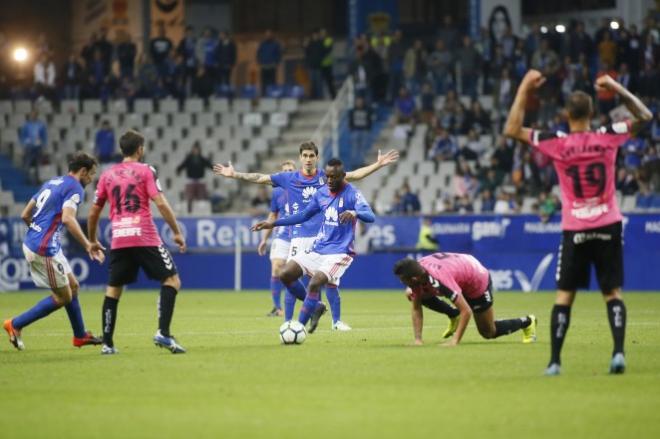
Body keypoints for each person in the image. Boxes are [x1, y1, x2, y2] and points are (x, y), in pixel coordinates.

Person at [503, 69, 653, 375]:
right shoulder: (607, 136)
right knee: (612, 294)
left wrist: (524, 88)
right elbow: (647, 116)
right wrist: (615, 86)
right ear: (592, 112)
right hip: (608, 223)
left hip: (575, 228)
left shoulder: (557, 142)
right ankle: (619, 354)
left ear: (565, 115)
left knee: (564, 297)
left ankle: (555, 362)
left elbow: (512, 129)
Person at [214, 143, 398, 332]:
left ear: (317, 158)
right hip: (300, 237)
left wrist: (378, 165)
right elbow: (260, 178)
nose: (308, 159)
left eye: (312, 155)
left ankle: (334, 321)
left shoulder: (327, 177)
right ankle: (292, 319)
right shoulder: (289, 178)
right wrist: (235, 174)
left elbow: (356, 175)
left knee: (329, 282)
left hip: (324, 237)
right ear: (300, 158)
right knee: (290, 275)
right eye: (305, 155)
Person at [87, 130, 187, 355]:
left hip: (119, 237)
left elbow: (94, 212)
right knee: (171, 280)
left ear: (122, 149)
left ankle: (108, 344)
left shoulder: (107, 174)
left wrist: (92, 240)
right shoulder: (146, 170)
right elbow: (160, 203)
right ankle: (163, 332)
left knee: (113, 290)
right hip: (144, 235)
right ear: (140, 149)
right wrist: (176, 232)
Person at [252, 158, 375, 335]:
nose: (330, 180)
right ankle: (316, 306)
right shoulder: (322, 193)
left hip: (340, 252)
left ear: (343, 176)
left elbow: (370, 215)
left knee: (316, 282)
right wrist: (273, 224)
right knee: (285, 274)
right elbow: (303, 215)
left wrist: (355, 212)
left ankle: (298, 327)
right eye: (328, 177)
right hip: (319, 248)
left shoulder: (352, 193)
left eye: (334, 177)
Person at [3, 153, 105, 351]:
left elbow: (25, 214)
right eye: (91, 174)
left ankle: (80, 336)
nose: (91, 179)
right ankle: (15, 324)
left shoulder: (53, 182)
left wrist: (37, 231)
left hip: (43, 243)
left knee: (73, 286)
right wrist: (87, 245)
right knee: (63, 297)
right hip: (43, 248)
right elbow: (68, 218)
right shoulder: (75, 187)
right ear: (82, 171)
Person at [393, 253, 537, 347]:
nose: (401, 282)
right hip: (460, 270)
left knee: (488, 332)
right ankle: (452, 314)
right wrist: (418, 339)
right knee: (412, 294)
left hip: (476, 279)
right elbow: (416, 307)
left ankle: (527, 322)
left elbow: (466, 311)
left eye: (402, 280)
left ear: (414, 278)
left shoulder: (439, 279)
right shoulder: (418, 272)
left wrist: (455, 341)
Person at [258, 160, 297, 317]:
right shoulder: (277, 192)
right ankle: (277, 307)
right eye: (285, 170)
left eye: (290, 170)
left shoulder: (303, 188)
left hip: (299, 234)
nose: (287, 172)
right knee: (276, 267)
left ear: (295, 172)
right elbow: (273, 215)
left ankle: (309, 303)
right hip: (282, 233)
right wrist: (264, 239)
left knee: (297, 272)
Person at [175, 142, 213, 213]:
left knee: (201, 197)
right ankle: (189, 212)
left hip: (200, 180)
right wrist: (178, 170)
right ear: (192, 150)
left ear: (199, 150)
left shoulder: (202, 159)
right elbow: (182, 165)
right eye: (194, 149)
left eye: (197, 149)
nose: (195, 151)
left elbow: (209, 165)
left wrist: (215, 168)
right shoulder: (189, 159)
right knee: (189, 197)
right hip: (190, 180)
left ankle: (201, 211)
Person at [20, 109, 47, 184]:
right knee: (28, 164)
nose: (33, 116)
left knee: (38, 165)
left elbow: (44, 136)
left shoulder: (41, 125)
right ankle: (27, 179)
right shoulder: (26, 125)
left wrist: (43, 145)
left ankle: (38, 179)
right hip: (29, 147)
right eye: (32, 114)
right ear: (30, 115)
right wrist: (25, 143)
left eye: (35, 114)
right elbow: (23, 136)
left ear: (37, 115)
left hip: (38, 148)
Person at [257, 30, 282, 95]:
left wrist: (276, 63)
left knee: (272, 82)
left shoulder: (276, 44)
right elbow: (259, 53)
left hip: (272, 66)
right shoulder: (262, 44)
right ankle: (264, 95)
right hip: (264, 66)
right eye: (266, 35)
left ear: (272, 35)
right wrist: (260, 62)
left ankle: (272, 95)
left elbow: (279, 54)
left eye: (269, 35)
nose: (268, 36)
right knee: (264, 82)